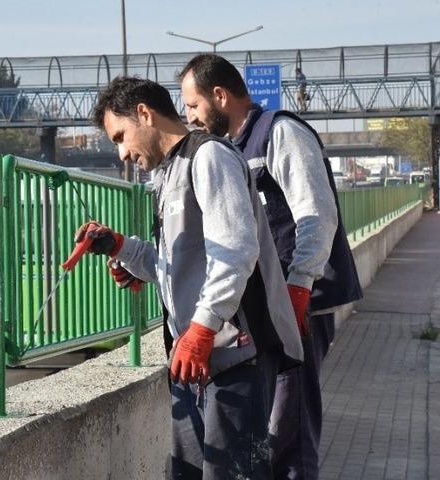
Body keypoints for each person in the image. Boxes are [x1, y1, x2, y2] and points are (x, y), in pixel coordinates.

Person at [79, 76, 303, 479]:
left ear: (144, 114)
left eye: (120, 136)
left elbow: (236, 251)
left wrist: (201, 329)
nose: (122, 154)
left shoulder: (209, 157)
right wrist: (120, 248)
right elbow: (178, 265)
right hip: (195, 359)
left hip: (235, 355)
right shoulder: (168, 176)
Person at [178, 54, 363, 480]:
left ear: (220, 96)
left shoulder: (280, 133)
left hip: (297, 306)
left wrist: (298, 289)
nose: (189, 117)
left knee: (289, 428)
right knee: (270, 429)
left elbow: (317, 215)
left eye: (192, 106)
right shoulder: (229, 149)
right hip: (269, 309)